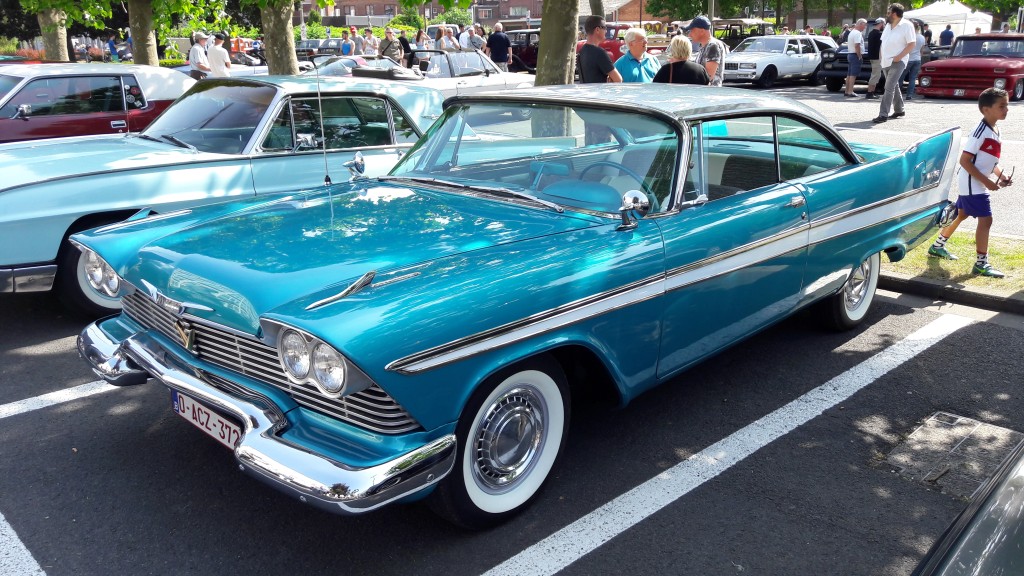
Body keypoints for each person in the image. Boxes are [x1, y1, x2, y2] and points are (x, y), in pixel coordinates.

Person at [928, 87, 1013, 278]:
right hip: (972, 182)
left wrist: (1001, 175)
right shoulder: (980, 131)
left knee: (962, 214)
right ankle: (981, 264)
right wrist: (988, 182)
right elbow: (965, 161)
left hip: (975, 181)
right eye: (1002, 106)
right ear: (986, 110)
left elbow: (989, 160)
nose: (1006, 109)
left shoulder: (995, 129)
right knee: (986, 220)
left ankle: (937, 246)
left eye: (1006, 105)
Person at [872, 3, 916, 124]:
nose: (887, 14)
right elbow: (883, 42)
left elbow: (912, 44)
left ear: (894, 14)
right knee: (893, 85)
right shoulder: (888, 25)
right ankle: (899, 110)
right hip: (885, 61)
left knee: (889, 86)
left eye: (888, 12)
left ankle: (883, 114)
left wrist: (899, 57)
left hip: (898, 61)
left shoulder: (907, 25)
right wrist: (881, 57)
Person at [686, 16, 727, 87]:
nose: (690, 34)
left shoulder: (713, 46)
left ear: (702, 31)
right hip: (704, 91)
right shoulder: (705, 46)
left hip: (710, 92)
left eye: (692, 30)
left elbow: (708, 77)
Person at [578, 16, 622, 83]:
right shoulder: (599, 53)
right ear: (597, 30)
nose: (606, 31)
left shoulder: (582, 51)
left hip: (586, 89)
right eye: (604, 28)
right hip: (599, 90)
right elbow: (618, 79)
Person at [901, 22, 926, 99]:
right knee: (913, 78)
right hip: (917, 59)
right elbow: (922, 50)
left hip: (908, 59)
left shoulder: (909, 36)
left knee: (901, 76)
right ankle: (909, 95)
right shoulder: (922, 37)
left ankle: (897, 93)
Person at [845, 19, 867, 97]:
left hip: (850, 54)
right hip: (855, 55)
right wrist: (859, 56)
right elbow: (857, 45)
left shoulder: (852, 32)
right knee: (853, 75)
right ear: (860, 24)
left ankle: (847, 90)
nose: (865, 27)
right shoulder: (857, 33)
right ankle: (850, 91)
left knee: (849, 74)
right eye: (864, 25)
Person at [865, 18, 885, 99]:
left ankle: (872, 92)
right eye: (884, 24)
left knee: (876, 74)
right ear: (881, 24)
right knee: (875, 75)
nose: (884, 26)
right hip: (877, 57)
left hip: (872, 57)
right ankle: (870, 92)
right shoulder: (879, 34)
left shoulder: (871, 33)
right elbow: (881, 47)